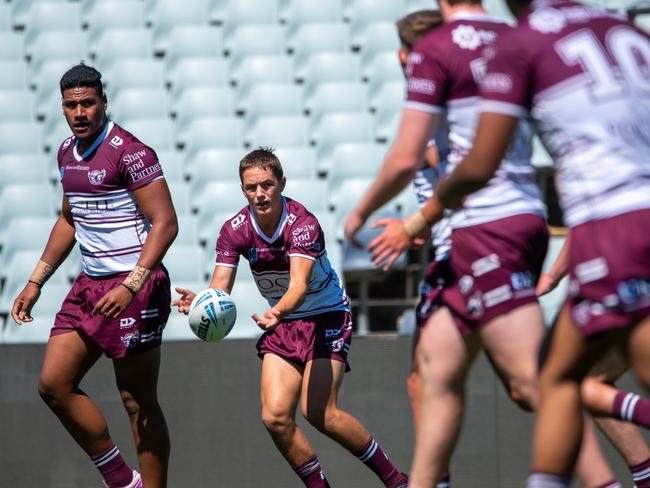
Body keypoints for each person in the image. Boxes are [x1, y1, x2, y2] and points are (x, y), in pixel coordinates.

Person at [370, 0, 650, 485]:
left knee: (543, 382)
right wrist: (559, 270)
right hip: (496, 246)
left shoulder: (491, 66)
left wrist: (401, 223)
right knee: (531, 380)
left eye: (406, 54)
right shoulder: (612, 28)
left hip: (481, 241)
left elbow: (464, 170)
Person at [172, 148, 408, 488]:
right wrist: (204, 304)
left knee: (321, 413)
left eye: (267, 185)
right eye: (251, 187)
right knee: (275, 418)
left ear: (282, 183)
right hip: (283, 323)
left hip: (326, 317)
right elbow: (220, 289)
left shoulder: (302, 224)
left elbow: (297, 286)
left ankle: (396, 481)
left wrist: (277, 312)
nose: (260, 194)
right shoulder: (233, 230)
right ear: (243, 190)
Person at [11, 64, 178, 488]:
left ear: (103, 102)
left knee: (137, 401)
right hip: (89, 284)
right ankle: (124, 481)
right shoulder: (67, 152)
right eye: (71, 105)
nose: (80, 112)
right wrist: (36, 281)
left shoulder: (131, 152)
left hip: (135, 285)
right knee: (53, 385)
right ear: (62, 108)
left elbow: (166, 223)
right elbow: (70, 218)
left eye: (88, 103)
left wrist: (131, 285)